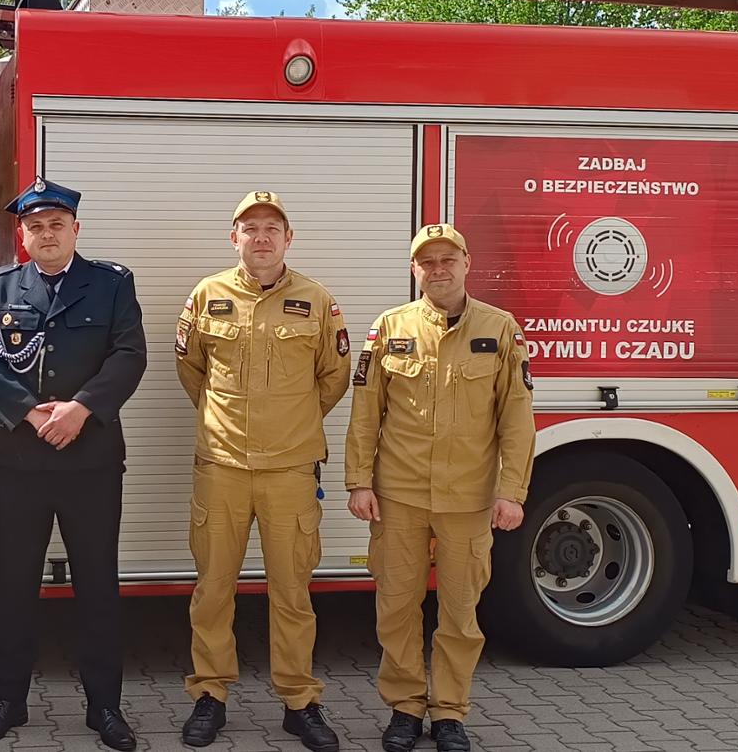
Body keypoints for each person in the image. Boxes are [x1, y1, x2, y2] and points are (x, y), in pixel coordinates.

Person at [0, 178, 147, 751]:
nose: (46, 233)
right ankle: (7, 702)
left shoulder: (111, 283)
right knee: (12, 585)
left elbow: (129, 353)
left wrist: (81, 409)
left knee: (97, 585)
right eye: (35, 226)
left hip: (91, 460)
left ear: (75, 229)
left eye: (56, 224)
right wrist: (31, 415)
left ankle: (105, 708)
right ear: (22, 235)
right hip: (22, 461)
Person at [344, 223, 535, 752]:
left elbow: (517, 420)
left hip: (468, 500)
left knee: (460, 613)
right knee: (396, 608)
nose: (438, 269)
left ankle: (449, 712)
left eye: (447, 259)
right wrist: (359, 481)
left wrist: (511, 492)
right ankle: (405, 709)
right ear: (414, 270)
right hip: (398, 496)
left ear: (467, 262)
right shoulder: (389, 328)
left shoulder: (500, 330)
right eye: (427, 262)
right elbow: (366, 413)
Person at [174, 191, 349, 751]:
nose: (262, 237)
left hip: (290, 470)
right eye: (250, 228)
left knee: (292, 592)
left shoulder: (317, 301)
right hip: (221, 466)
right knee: (213, 589)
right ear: (235, 238)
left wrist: (289, 425)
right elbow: (190, 369)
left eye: (272, 227)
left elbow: (333, 379)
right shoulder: (207, 295)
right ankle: (210, 694)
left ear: (288, 238)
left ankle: (300, 702)